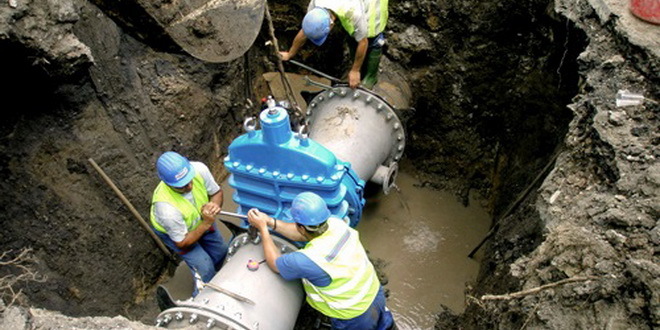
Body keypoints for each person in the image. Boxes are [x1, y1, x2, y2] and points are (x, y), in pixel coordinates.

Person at [247, 192, 395, 329]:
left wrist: (263, 230)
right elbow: (302, 233)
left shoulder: (307, 259)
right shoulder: (336, 224)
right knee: (384, 325)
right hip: (375, 293)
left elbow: (274, 263)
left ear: (301, 227)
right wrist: (270, 222)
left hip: (354, 314)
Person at [150, 151, 228, 295]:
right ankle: (200, 301)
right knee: (205, 269)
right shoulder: (166, 209)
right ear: (167, 184)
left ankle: (218, 279)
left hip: (200, 219)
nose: (189, 186)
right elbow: (182, 242)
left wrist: (214, 206)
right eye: (182, 186)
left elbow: (216, 193)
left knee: (221, 252)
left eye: (190, 180)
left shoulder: (199, 169)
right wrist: (205, 224)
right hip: (180, 234)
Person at [279, 0, 389, 89]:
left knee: (372, 35)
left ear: (331, 25)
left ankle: (371, 76)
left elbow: (363, 41)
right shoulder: (316, 4)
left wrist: (355, 70)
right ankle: (358, 67)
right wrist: (290, 54)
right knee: (352, 36)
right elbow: (305, 31)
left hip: (372, 5)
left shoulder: (353, 13)